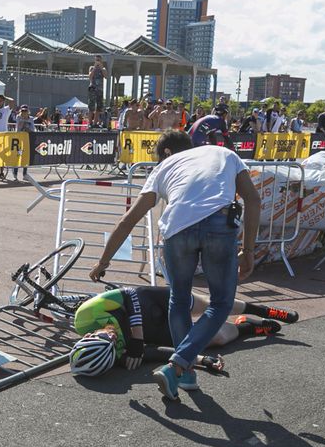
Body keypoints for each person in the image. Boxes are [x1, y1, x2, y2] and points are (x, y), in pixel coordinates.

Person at [88, 130, 260, 400]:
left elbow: (128, 220)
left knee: (179, 300)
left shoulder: (163, 168)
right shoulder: (224, 153)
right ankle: (177, 365)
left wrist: (102, 261)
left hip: (176, 230)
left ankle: (186, 373)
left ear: (165, 153)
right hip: (219, 223)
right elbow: (253, 199)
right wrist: (248, 249)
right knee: (220, 303)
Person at [70, 286, 298, 375]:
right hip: (155, 330)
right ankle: (248, 327)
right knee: (215, 338)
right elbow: (158, 352)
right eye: (112, 344)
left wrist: (136, 338)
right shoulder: (116, 356)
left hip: (149, 301)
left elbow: (129, 295)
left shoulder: (85, 316)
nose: (111, 337)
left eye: (104, 336)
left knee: (212, 305)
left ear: (89, 335)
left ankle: (264, 310)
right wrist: (200, 360)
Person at [87, 55, 107, 128]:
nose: (98, 61)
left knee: (99, 107)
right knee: (91, 107)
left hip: (100, 90)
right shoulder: (92, 68)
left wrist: (101, 67)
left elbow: (106, 76)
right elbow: (90, 76)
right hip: (92, 89)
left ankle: (95, 123)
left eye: (99, 60)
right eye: (97, 60)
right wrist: (95, 68)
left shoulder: (103, 69)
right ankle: (90, 123)